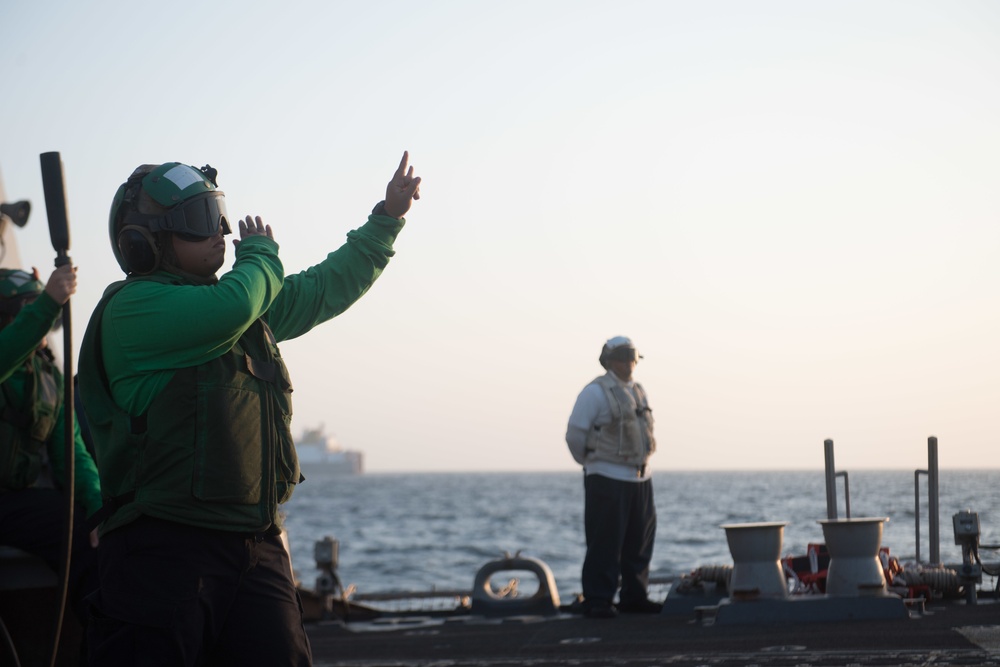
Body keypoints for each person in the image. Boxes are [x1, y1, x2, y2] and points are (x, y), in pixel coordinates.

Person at [78, 152, 420, 665]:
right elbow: (235, 305)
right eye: (199, 222)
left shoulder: (237, 309)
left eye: (218, 215)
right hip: (163, 551)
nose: (220, 231)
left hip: (253, 547)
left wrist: (386, 219)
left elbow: (324, 288)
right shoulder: (135, 309)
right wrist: (260, 254)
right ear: (145, 241)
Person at [0, 264, 102, 626]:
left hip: (14, 503)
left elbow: (71, 452)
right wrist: (46, 306)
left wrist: (98, 509)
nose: (42, 326)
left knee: (78, 529)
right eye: (28, 311)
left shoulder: (49, 378)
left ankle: (101, 638)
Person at [565, 335, 660, 618]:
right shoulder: (594, 393)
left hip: (641, 479)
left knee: (639, 542)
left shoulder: (638, 391)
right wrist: (591, 463)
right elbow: (575, 434)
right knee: (604, 542)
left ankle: (634, 596)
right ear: (609, 361)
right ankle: (598, 599)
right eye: (622, 357)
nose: (628, 362)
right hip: (606, 476)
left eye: (632, 357)